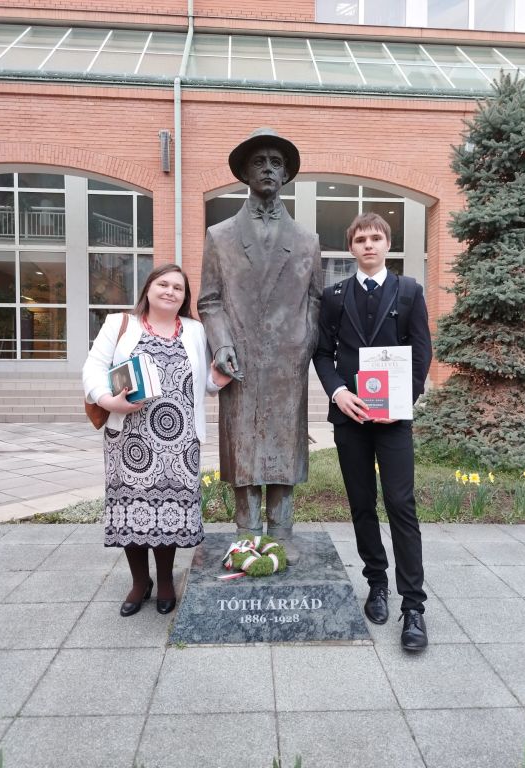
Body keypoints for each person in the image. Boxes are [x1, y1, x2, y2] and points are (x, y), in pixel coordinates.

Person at [198, 128, 322, 558]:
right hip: (241, 359)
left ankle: (282, 533)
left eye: (276, 162)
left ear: (285, 174)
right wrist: (221, 345)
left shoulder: (307, 240)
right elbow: (209, 300)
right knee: (244, 448)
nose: (268, 168)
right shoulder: (220, 235)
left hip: (288, 363)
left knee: (285, 446)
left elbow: (315, 300)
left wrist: (305, 343)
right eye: (259, 162)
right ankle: (247, 533)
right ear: (244, 173)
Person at [313, 212, 432, 651]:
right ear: (351, 247)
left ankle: (413, 606)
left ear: (387, 244)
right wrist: (338, 392)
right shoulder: (334, 296)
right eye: (360, 238)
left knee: (401, 504)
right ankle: (376, 584)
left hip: (393, 421)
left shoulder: (409, 291)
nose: (368, 244)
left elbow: (421, 353)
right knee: (362, 504)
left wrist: (402, 402)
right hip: (351, 417)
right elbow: (322, 353)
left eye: (375, 238)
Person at [83, 264, 230, 617]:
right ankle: (139, 582)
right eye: (163, 284)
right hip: (130, 438)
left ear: (185, 297)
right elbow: (93, 368)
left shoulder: (195, 330)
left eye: (178, 288)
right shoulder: (120, 324)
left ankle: (164, 581)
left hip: (180, 442)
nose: (170, 291)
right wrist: (108, 401)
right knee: (132, 510)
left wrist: (219, 377)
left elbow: (204, 384)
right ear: (148, 289)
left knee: (170, 513)